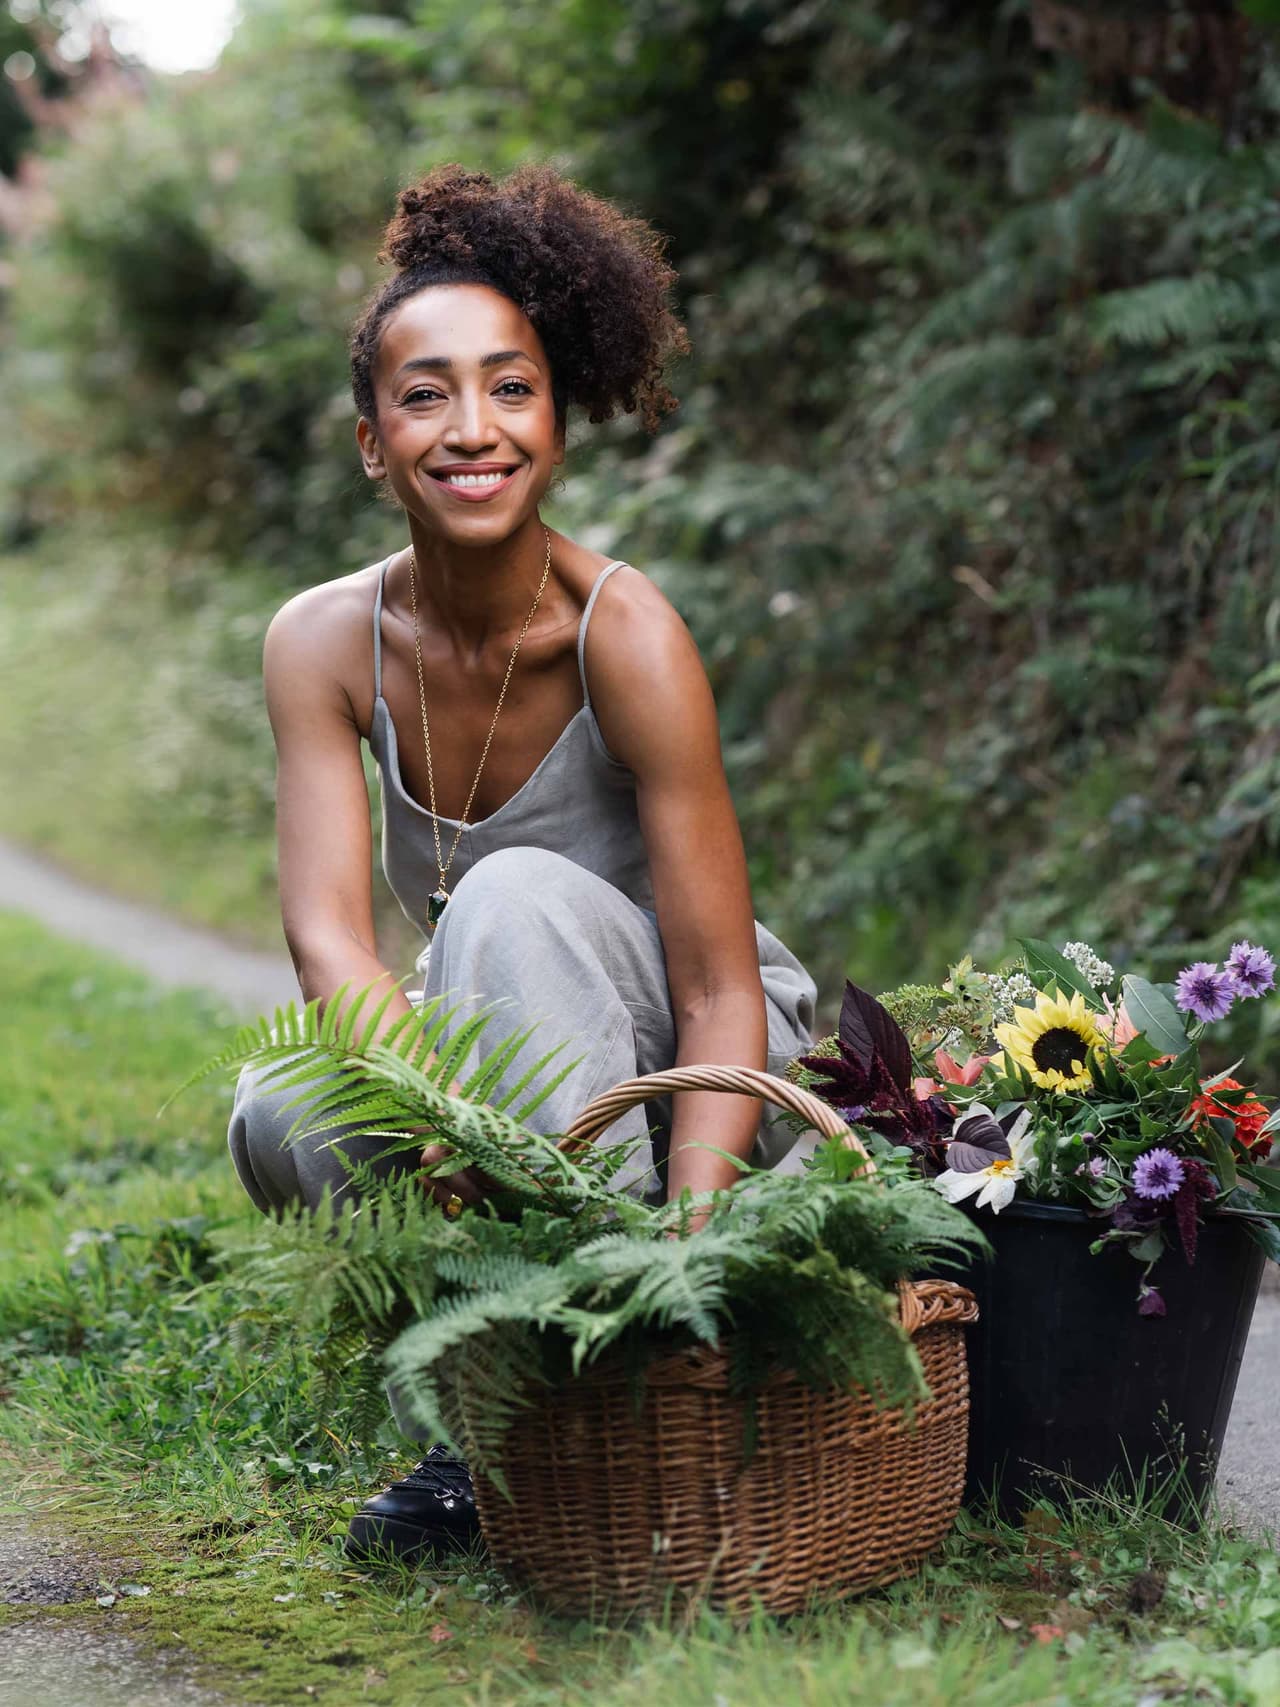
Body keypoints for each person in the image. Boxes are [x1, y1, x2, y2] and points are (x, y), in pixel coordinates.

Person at [227, 163, 817, 1562]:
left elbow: (726, 993)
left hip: (706, 1062)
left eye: (511, 387)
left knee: (508, 897)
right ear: (373, 440)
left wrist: (687, 1239)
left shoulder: (627, 634)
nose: (471, 428)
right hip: (495, 1067)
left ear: (556, 422)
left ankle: (609, 1363)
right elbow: (331, 942)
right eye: (425, 394)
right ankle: (496, 1405)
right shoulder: (320, 642)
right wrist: (444, 1131)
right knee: (279, 1104)